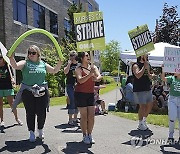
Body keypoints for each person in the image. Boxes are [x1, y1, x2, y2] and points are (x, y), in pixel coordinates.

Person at [9, 45, 62, 142]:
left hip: (41, 91)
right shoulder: (25, 63)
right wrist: (11, 58)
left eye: (33, 53)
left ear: (38, 54)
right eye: (29, 53)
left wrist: (60, 62)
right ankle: (31, 132)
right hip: (28, 92)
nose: (31, 55)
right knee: (30, 112)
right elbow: (15, 66)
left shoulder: (43, 64)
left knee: (42, 113)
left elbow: (55, 70)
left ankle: (40, 129)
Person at [74, 51, 102, 144]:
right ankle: (84, 135)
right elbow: (80, 81)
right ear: (82, 58)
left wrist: (96, 78)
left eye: (89, 55)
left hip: (90, 94)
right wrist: (90, 75)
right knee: (84, 116)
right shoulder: (78, 69)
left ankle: (90, 134)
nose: (89, 57)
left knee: (91, 116)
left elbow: (99, 76)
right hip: (80, 94)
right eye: (87, 55)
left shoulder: (93, 67)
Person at [0, 52, 23, 127]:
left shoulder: (8, 66)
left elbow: (12, 76)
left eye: (0, 58)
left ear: (3, 59)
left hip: (8, 87)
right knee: (0, 105)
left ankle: (17, 118)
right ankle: (2, 120)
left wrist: (13, 79)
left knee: (12, 104)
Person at [132, 54, 154, 130]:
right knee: (143, 106)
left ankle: (144, 120)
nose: (147, 55)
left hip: (147, 88)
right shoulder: (135, 65)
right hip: (139, 89)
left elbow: (150, 75)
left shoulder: (148, 64)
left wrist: (151, 74)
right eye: (145, 54)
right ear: (141, 55)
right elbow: (138, 75)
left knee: (150, 105)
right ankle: (140, 123)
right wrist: (144, 66)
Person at [161, 67, 180, 143]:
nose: (174, 71)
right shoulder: (172, 78)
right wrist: (163, 70)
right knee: (172, 117)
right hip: (172, 100)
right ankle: (171, 136)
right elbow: (163, 78)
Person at [64, 50, 78, 125]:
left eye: (73, 56)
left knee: (77, 101)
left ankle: (75, 118)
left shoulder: (79, 65)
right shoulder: (68, 64)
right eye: (71, 56)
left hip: (78, 85)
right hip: (70, 84)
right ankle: (70, 119)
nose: (72, 58)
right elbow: (65, 72)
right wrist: (69, 65)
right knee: (72, 100)